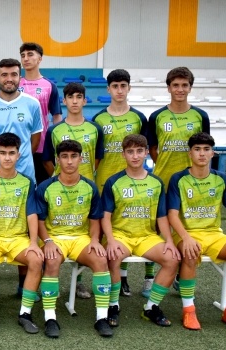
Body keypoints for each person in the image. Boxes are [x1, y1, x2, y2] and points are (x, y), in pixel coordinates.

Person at [167, 132, 226, 331]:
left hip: (214, 234)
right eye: (197, 149)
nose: (202, 153)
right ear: (190, 153)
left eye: (206, 149)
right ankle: (189, 310)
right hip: (187, 233)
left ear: (213, 153)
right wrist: (186, 237)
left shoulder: (220, 179)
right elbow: (172, 215)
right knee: (189, 253)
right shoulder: (178, 179)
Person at [101, 134, 180, 329]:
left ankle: (151, 307)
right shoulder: (113, 182)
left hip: (147, 237)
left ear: (146, 153)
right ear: (123, 154)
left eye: (139, 151)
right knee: (112, 256)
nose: (135, 156)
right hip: (120, 235)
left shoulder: (156, 183)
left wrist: (169, 241)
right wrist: (110, 240)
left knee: (172, 259)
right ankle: (113, 305)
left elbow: (162, 217)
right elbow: (106, 216)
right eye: (130, 152)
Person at [36, 140, 113, 338]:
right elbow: (40, 221)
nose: (69, 161)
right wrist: (48, 241)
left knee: (101, 259)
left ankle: (102, 318)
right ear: (57, 160)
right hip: (54, 237)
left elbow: (94, 220)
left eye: (73, 156)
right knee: (52, 261)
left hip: (80, 238)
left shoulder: (90, 187)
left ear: (81, 158)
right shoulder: (45, 187)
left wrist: (94, 240)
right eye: (64, 157)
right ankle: (50, 318)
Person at [0, 132, 44, 335]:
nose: (7, 157)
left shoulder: (27, 182)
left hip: (18, 239)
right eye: (3, 153)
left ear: (18, 155)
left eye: (11, 153)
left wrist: (33, 242)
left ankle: (25, 314)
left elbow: (31, 215)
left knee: (36, 260)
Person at [42, 82, 104, 300]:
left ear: (85, 101)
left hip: (84, 191)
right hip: (60, 188)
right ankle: (50, 278)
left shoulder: (95, 128)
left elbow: (97, 158)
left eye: (79, 97)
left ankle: (78, 282)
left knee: (83, 235)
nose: (75, 101)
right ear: (64, 101)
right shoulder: (54, 130)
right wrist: (59, 177)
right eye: (71, 97)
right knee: (57, 231)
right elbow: (47, 159)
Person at [92, 69, 150, 298]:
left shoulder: (139, 118)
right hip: (104, 181)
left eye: (123, 86)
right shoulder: (98, 119)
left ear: (129, 88)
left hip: (134, 181)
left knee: (139, 225)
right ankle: (112, 278)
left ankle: (144, 277)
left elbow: (144, 149)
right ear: (108, 89)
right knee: (107, 230)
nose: (119, 90)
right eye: (115, 86)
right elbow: (96, 153)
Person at [148, 67, 210, 190]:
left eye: (184, 85)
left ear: (190, 88)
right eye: (175, 85)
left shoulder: (201, 116)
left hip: (192, 180)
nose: (180, 90)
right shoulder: (156, 116)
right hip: (163, 178)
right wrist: (164, 164)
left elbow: (206, 148)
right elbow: (152, 148)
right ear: (169, 88)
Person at [18, 42, 62, 181]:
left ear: (40, 58)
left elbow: (56, 116)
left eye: (30, 54)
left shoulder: (49, 86)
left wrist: (55, 143)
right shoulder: (15, 84)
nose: (26, 58)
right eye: (23, 55)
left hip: (42, 146)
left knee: (44, 186)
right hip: (18, 146)